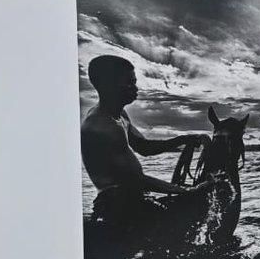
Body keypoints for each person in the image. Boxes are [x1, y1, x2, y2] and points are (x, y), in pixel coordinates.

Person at [80, 55, 209, 216]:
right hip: (115, 205)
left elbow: (144, 147)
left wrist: (183, 140)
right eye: (129, 83)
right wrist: (187, 191)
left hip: (132, 199)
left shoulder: (120, 115)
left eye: (134, 82)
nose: (135, 88)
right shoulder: (104, 126)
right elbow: (135, 180)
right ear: (107, 86)